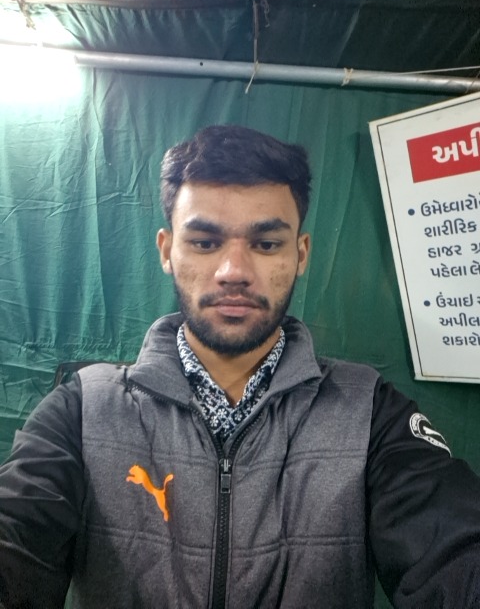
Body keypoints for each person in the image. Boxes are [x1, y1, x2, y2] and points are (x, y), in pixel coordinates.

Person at [0, 125, 479, 609]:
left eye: (266, 244)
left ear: (301, 254)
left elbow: (453, 547)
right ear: (167, 250)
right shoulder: (83, 411)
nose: (234, 271)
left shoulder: (370, 412)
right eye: (205, 242)